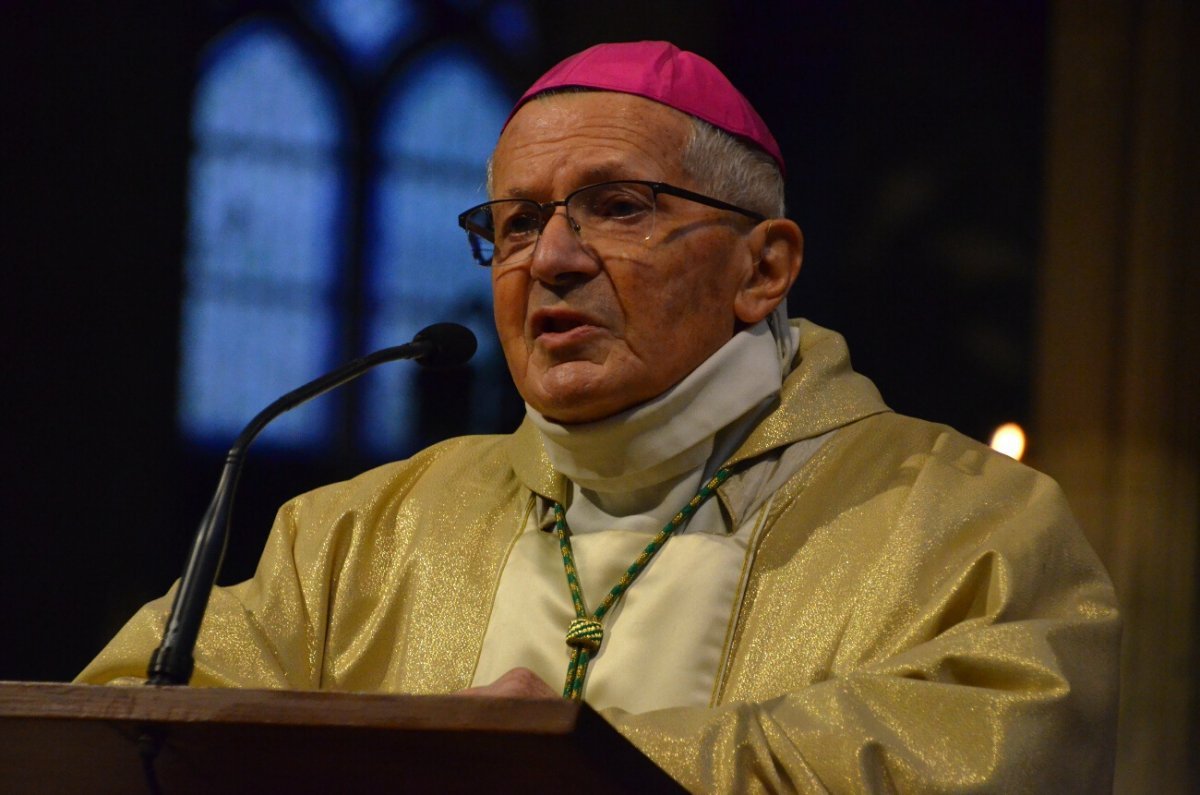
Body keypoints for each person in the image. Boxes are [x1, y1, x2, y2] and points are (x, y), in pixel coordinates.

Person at [79, 41, 1120, 792]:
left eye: (621, 207)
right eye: (518, 222)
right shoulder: (360, 535)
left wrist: (571, 758)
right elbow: (122, 732)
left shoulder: (969, 525)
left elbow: (989, 760)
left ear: (766, 268)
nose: (555, 259)